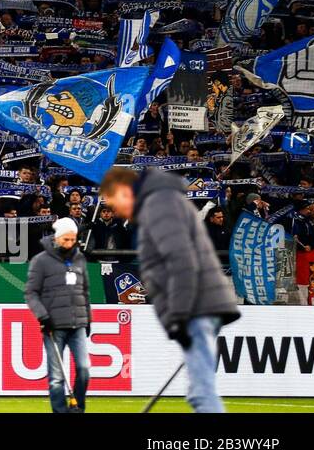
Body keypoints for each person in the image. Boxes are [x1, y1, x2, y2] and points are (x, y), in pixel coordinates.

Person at [101, 167, 240, 412]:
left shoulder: (159, 205)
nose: (115, 210)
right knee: (200, 389)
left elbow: (180, 260)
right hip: (197, 305)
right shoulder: (156, 206)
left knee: (201, 392)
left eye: (113, 202)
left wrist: (179, 316)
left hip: (196, 305)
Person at [24, 217, 92, 413]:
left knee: (84, 369)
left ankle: (77, 407)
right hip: (53, 326)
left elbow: (85, 291)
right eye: (66, 240)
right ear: (57, 238)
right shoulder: (40, 261)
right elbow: (31, 293)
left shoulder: (80, 259)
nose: (70, 244)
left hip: (77, 324)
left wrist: (88, 318)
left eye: (73, 240)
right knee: (56, 377)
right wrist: (42, 316)